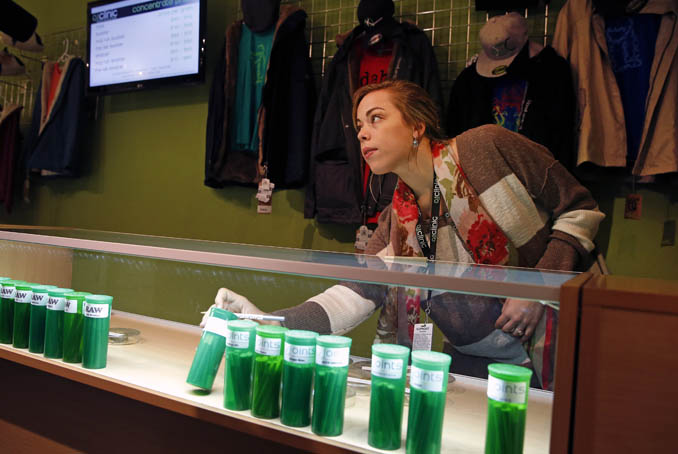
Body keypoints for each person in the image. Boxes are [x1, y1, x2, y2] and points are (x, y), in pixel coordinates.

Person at [206, 80, 605, 390]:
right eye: (359, 124)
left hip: (558, 354)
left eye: (376, 118)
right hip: (475, 367)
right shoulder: (397, 217)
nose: (362, 133)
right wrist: (266, 322)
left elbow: (581, 207)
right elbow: (355, 294)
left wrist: (536, 285)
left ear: (417, 125)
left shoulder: (487, 146)